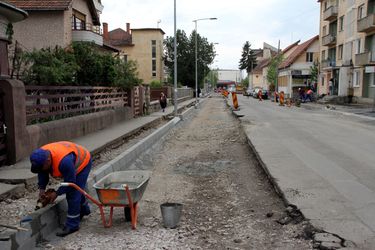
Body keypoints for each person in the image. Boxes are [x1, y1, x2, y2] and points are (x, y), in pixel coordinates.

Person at [30, 141, 92, 237]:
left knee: (73, 193)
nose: (41, 169)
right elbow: (42, 172)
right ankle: (84, 210)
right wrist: (42, 189)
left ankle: (73, 225)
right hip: (69, 157)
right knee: (76, 192)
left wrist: (57, 193)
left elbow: (70, 182)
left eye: (42, 167)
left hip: (83, 162)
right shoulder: (42, 156)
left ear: (48, 161)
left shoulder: (64, 162)